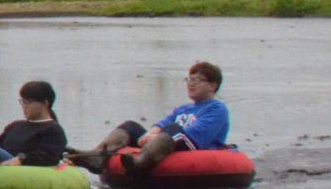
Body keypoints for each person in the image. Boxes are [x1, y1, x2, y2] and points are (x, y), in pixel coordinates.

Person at [64, 61, 230, 176]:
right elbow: (162, 123)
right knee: (130, 126)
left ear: (212, 85)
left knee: (173, 129)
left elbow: (195, 133)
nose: (191, 84)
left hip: (194, 146)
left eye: (197, 80)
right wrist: (150, 134)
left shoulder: (216, 109)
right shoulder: (183, 109)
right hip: (168, 141)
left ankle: (140, 163)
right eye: (189, 79)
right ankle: (98, 155)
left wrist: (157, 137)